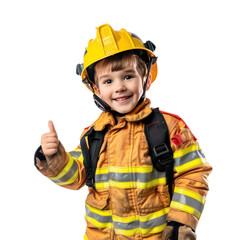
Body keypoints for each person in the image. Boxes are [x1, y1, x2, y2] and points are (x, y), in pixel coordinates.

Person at [34, 24, 212, 240]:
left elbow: (192, 175)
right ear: (96, 89)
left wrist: (180, 223)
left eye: (128, 76)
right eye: (108, 81)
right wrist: (53, 158)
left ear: (145, 77)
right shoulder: (94, 135)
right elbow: (75, 177)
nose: (119, 87)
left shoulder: (169, 127)